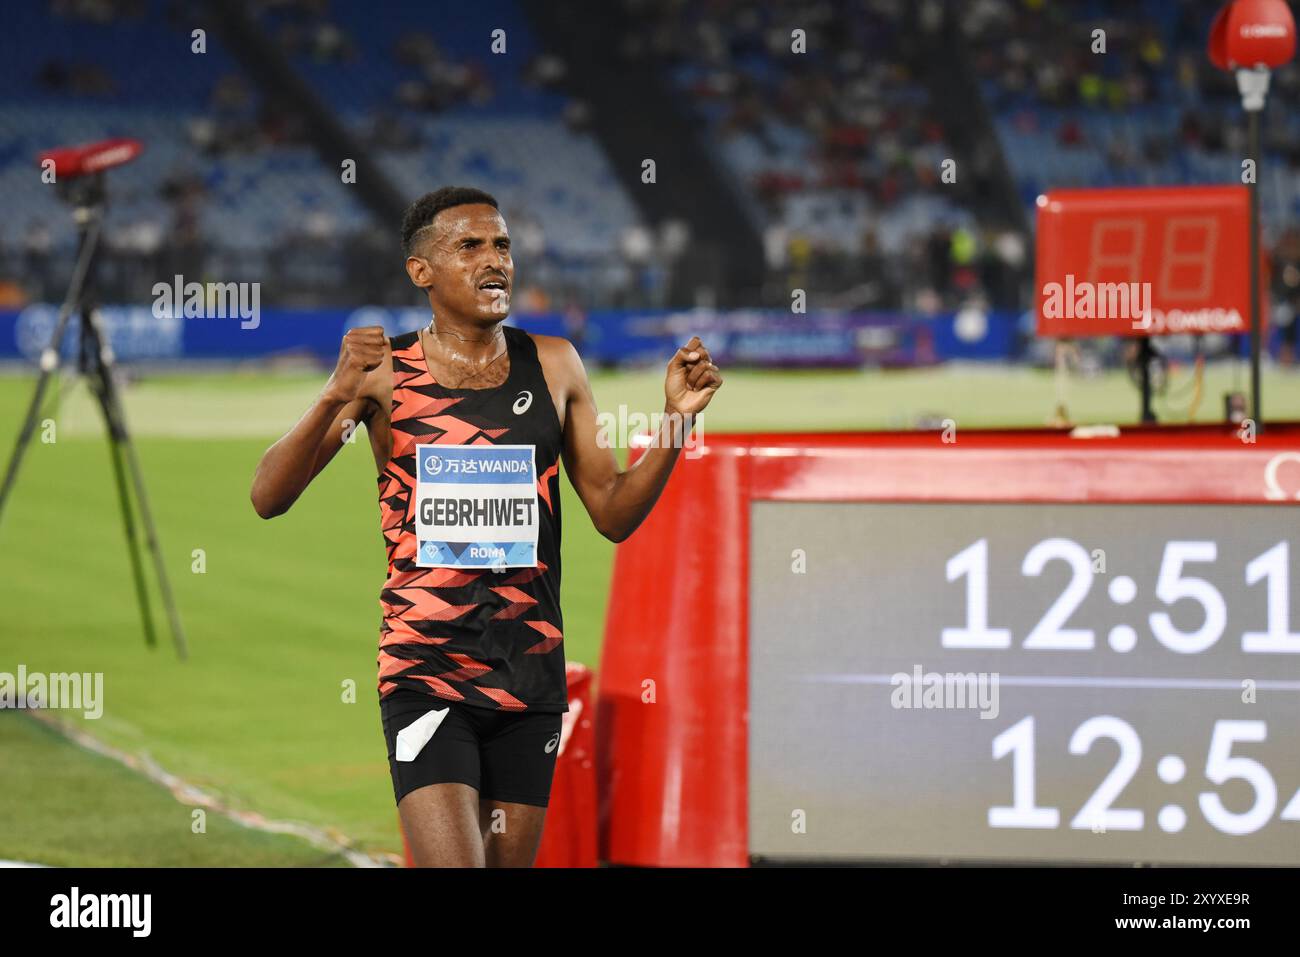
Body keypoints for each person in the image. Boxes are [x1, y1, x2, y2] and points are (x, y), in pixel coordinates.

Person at [249, 186, 722, 866]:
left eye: (501, 245)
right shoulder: (383, 374)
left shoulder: (556, 364)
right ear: (422, 272)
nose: (493, 260)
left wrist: (677, 418)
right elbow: (269, 496)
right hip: (426, 667)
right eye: (468, 246)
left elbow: (613, 512)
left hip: (529, 673)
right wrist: (333, 391)